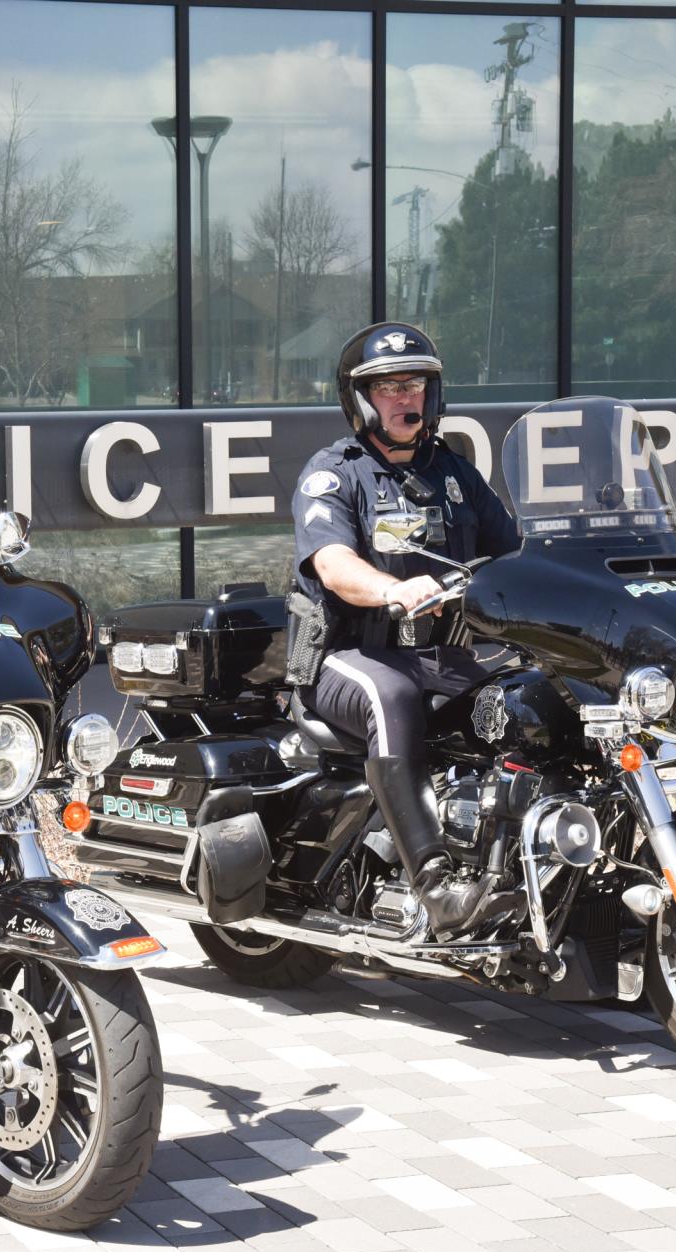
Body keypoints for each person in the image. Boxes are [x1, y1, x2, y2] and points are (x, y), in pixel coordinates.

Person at [290, 322, 521, 930]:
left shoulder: (455, 474)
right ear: (362, 398)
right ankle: (436, 887)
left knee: (527, 702)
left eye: (415, 383)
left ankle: (524, 863)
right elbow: (333, 565)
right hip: (346, 658)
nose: (405, 397)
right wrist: (393, 589)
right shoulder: (333, 474)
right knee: (390, 696)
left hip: (437, 658)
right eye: (389, 386)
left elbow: (516, 554)